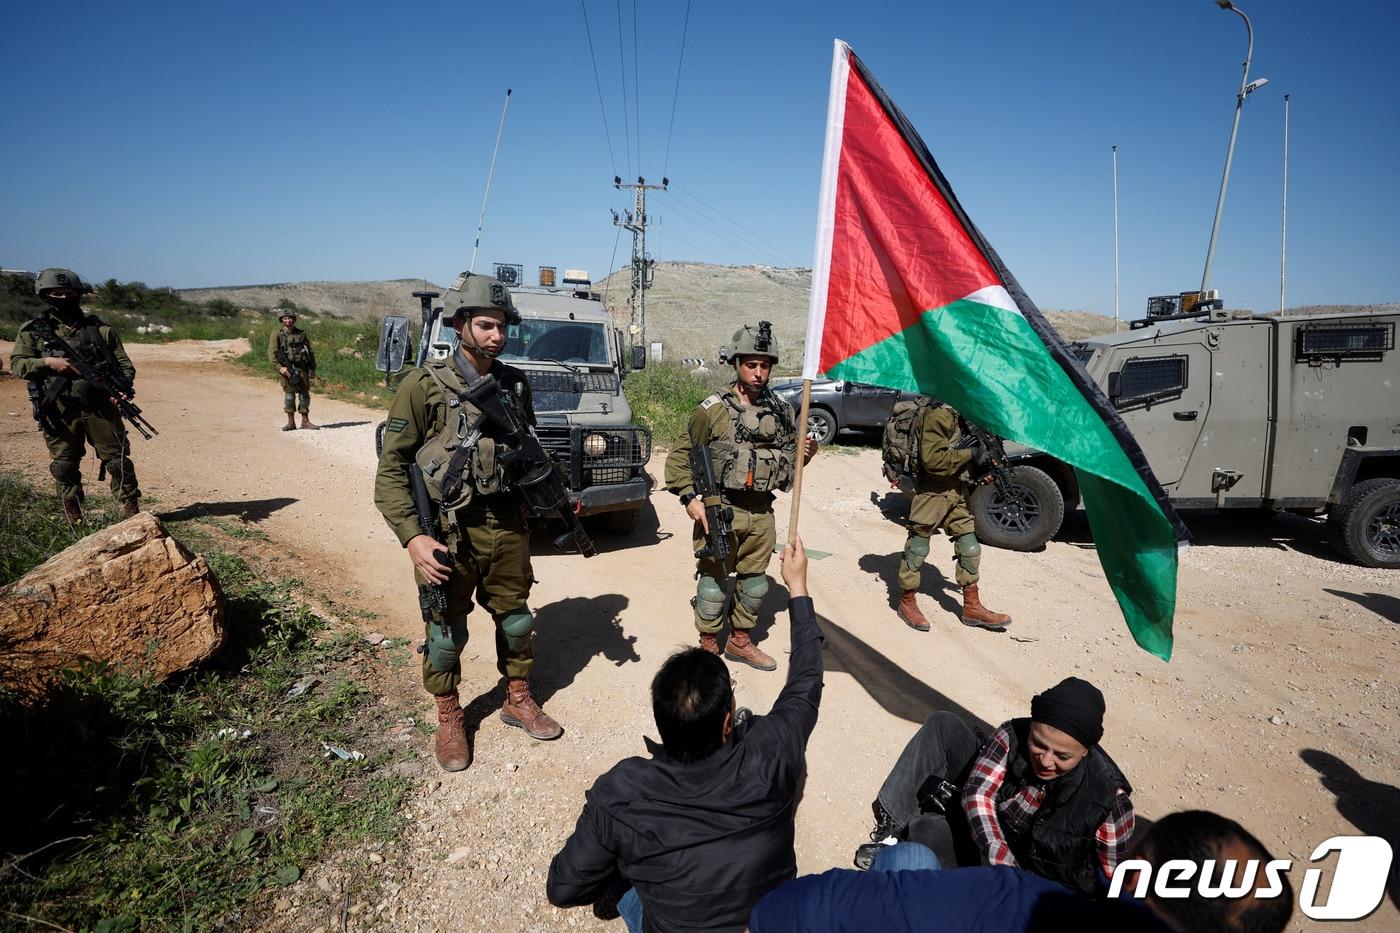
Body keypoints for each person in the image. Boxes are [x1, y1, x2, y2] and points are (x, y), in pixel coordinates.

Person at [547, 538, 822, 933]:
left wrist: (627, 855)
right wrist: (798, 587)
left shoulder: (623, 791)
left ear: (662, 722)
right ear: (729, 722)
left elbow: (564, 889)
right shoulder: (772, 750)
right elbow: (807, 680)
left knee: (618, 872)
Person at [373, 272, 560, 774]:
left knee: (517, 619)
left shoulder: (513, 384)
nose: (496, 335)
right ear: (459, 325)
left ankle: (517, 697)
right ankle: (449, 714)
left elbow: (526, 452)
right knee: (445, 631)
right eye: (484, 325)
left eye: (501, 326)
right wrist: (413, 537)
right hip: (448, 530)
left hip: (507, 523)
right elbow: (392, 469)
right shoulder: (423, 385)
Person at [751, 810, 1294, 933]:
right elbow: (981, 799)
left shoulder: (1021, 905)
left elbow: (806, 906)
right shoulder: (1009, 744)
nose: (1049, 759)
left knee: (907, 862)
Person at [853, 677, 1133, 899]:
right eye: (1038, 744)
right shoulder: (1012, 735)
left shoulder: (1109, 800)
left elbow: (1110, 878)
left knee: (926, 835)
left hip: (1037, 889)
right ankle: (891, 833)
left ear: (1085, 751)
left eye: (1062, 756)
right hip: (995, 848)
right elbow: (978, 795)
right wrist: (1002, 865)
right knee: (925, 829)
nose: (1045, 761)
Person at [662, 321, 817, 672]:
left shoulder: (782, 411)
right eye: (751, 364)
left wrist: (805, 453)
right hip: (721, 508)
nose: (759, 373)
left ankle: (740, 639)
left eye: (765, 365)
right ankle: (707, 645)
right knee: (714, 583)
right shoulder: (712, 410)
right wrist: (690, 499)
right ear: (736, 364)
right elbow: (680, 456)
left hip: (762, 512)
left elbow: (790, 460)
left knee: (756, 583)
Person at [9, 268, 142, 522]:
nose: (63, 298)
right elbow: (18, 364)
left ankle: (131, 513)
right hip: (58, 409)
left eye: (68, 293)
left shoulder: (100, 330)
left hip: (100, 407)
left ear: (78, 295)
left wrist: (122, 390)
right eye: (56, 293)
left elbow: (124, 365)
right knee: (64, 464)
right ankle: (74, 516)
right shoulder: (33, 331)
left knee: (117, 460)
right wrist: (47, 363)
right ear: (45, 296)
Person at [892, 400, 1011, 631]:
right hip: (932, 492)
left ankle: (972, 607)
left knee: (970, 548)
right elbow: (933, 461)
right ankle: (906, 602)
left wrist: (979, 469)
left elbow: (960, 448)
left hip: (957, 489)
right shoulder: (938, 413)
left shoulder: (962, 411)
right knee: (917, 548)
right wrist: (971, 454)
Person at [268, 309, 318, 430]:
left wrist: (312, 368)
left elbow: (309, 352)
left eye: (290, 318)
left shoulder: (301, 334)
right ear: (281, 320)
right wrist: (280, 368)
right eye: (285, 318)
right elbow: (272, 353)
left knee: (304, 396)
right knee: (289, 396)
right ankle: (291, 422)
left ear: (294, 319)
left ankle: (305, 421)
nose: (288, 320)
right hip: (288, 369)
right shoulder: (277, 334)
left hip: (302, 368)